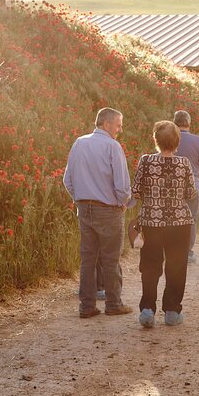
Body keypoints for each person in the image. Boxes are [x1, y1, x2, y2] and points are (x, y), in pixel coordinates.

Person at [63, 107, 133, 319]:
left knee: (88, 259)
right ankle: (113, 304)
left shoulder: (79, 143)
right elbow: (121, 185)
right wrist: (124, 202)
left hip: (84, 208)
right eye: (118, 125)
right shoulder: (113, 146)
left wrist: (79, 199)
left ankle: (86, 306)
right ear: (106, 124)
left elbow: (67, 180)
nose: (120, 130)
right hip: (108, 210)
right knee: (110, 259)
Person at [132, 121, 197, 328]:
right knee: (177, 265)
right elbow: (190, 193)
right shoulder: (184, 163)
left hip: (152, 221)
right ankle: (171, 311)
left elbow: (136, 192)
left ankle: (147, 310)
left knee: (150, 266)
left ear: (156, 140)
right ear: (177, 141)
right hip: (179, 222)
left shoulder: (146, 161)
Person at [173, 110, 199, 264]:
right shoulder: (197, 140)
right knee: (191, 218)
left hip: (172, 183)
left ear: (174, 123)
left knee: (171, 216)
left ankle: (171, 250)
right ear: (189, 123)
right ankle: (187, 253)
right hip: (193, 183)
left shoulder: (170, 138)